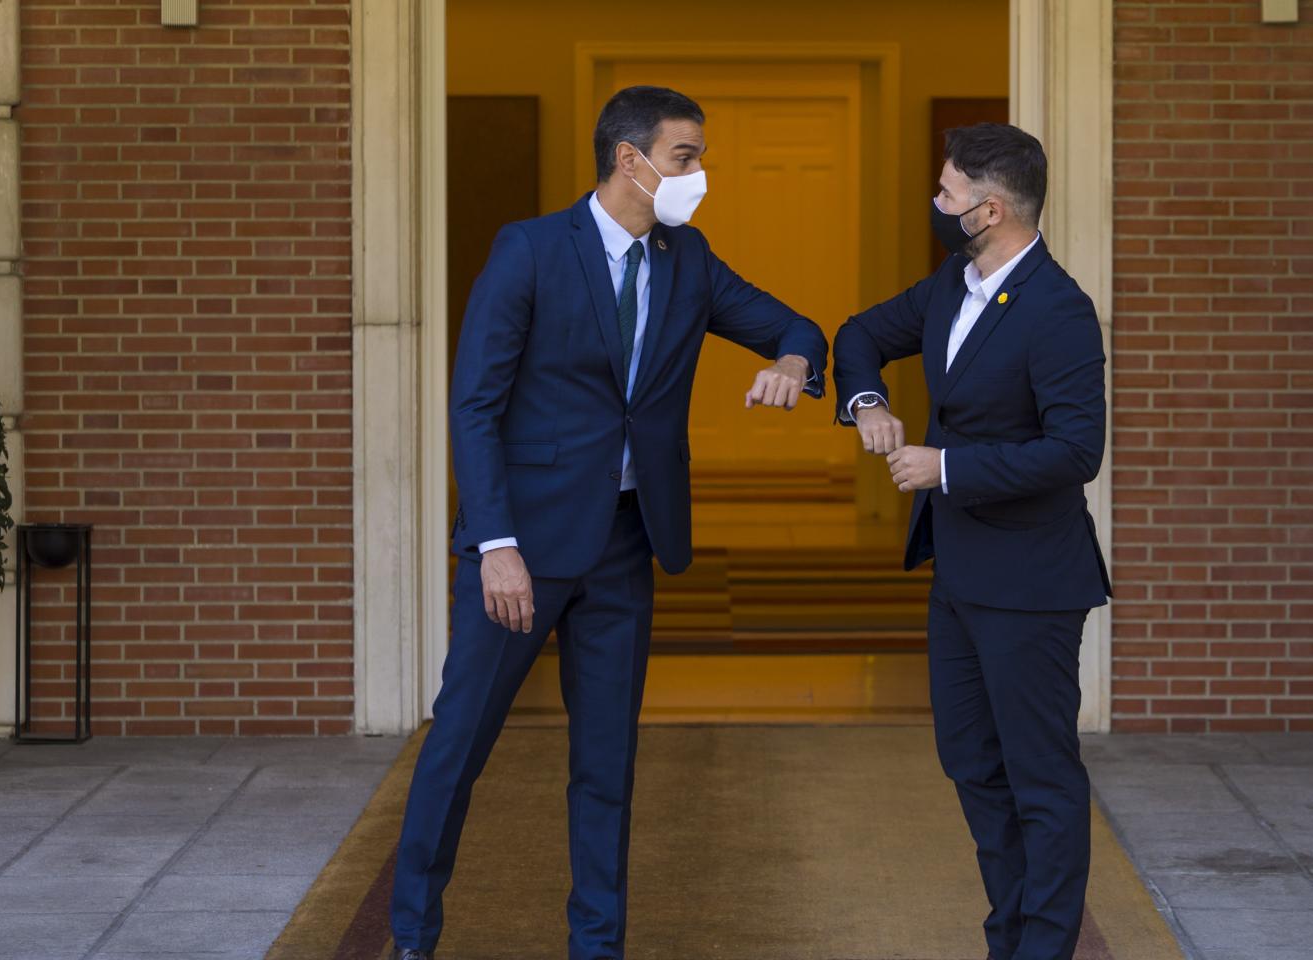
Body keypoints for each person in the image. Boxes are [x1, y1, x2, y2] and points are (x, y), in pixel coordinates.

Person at [390, 85, 827, 960]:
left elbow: (796, 324)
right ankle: (410, 937)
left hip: (626, 545)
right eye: (685, 157)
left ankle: (597, 946)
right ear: (630, 160)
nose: (698, 174)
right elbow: (474, 405)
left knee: (606, 767)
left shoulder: (690, 258)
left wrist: (790, 360)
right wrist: (494, 545)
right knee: (458, 748)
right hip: (523, 550)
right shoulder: (531, 250)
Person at [832, 122, 1111, 960]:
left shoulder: (1060, 311)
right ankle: (1011, 934)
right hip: (957, 576)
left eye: (948, 193)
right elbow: (858, 335)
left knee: (1041, 778)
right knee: (970, 762)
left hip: (1031, 583)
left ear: (990, 210)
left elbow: (1075, 451)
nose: (937, 203)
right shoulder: (950, 286)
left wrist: (946, 467)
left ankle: (1044, 946)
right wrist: (867, 404)